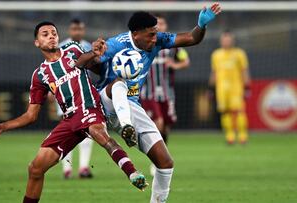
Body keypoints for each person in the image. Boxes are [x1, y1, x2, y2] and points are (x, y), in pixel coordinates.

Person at [0, 21, 147, 203]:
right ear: (37, 43)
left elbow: (86, 62)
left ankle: (132, 172)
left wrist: (95, 54)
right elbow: (31, 116)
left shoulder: (72, 50)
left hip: (90, 108)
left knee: (99, 134)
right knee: (35, 169)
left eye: (53, 33)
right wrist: (2, 126)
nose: (51, 36)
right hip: (69, 121)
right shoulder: (40, 75)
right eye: (45, 34)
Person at [91, 3, 221, 203]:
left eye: (156, 33)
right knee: (118, 84)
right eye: (150, 34)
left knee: (166, 163)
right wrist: (93, 54)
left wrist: (201, 25)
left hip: (132, 106)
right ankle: (126, 127)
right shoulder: (116, 44)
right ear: (135, 34)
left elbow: (191, 38)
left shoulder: (158, 40)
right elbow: (85, 62)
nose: (155, 38)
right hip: (105, 103)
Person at [140, 14, 190, 175]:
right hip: (149, 93)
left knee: (166, 128)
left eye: (162, 23)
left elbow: (185, 61)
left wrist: (174, 64)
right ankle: (156, 161)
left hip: (167, 93)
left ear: (166, 26)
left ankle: (163, 158)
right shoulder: (145, 44)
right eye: (157, 24)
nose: (159, 26)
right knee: (158, 123)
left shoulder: (173, 46)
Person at [58, 18, 94, 179]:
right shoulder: (61, 47)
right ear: (70, 30)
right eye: (74, 29)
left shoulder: (89, 47)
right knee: (68, 131)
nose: (77, 32)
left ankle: (84, 167)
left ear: (83, 30)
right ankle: (67, 168)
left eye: (79, 29)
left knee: (88, 130)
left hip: (85, 94)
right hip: (66, 95)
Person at [209, 30, 250, 145]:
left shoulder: (239, 54)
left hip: (236, 87)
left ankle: (243, 136)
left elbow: (244, 71)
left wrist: (247, 86)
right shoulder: (216, 55)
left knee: (239, 111)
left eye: (228, 39)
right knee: (225, 112)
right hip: (221, 88)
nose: (226, 41)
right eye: (224, 39)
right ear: (221, 41)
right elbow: (214, 72)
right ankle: (230, 136)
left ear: (232, 40)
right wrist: (210, 88)